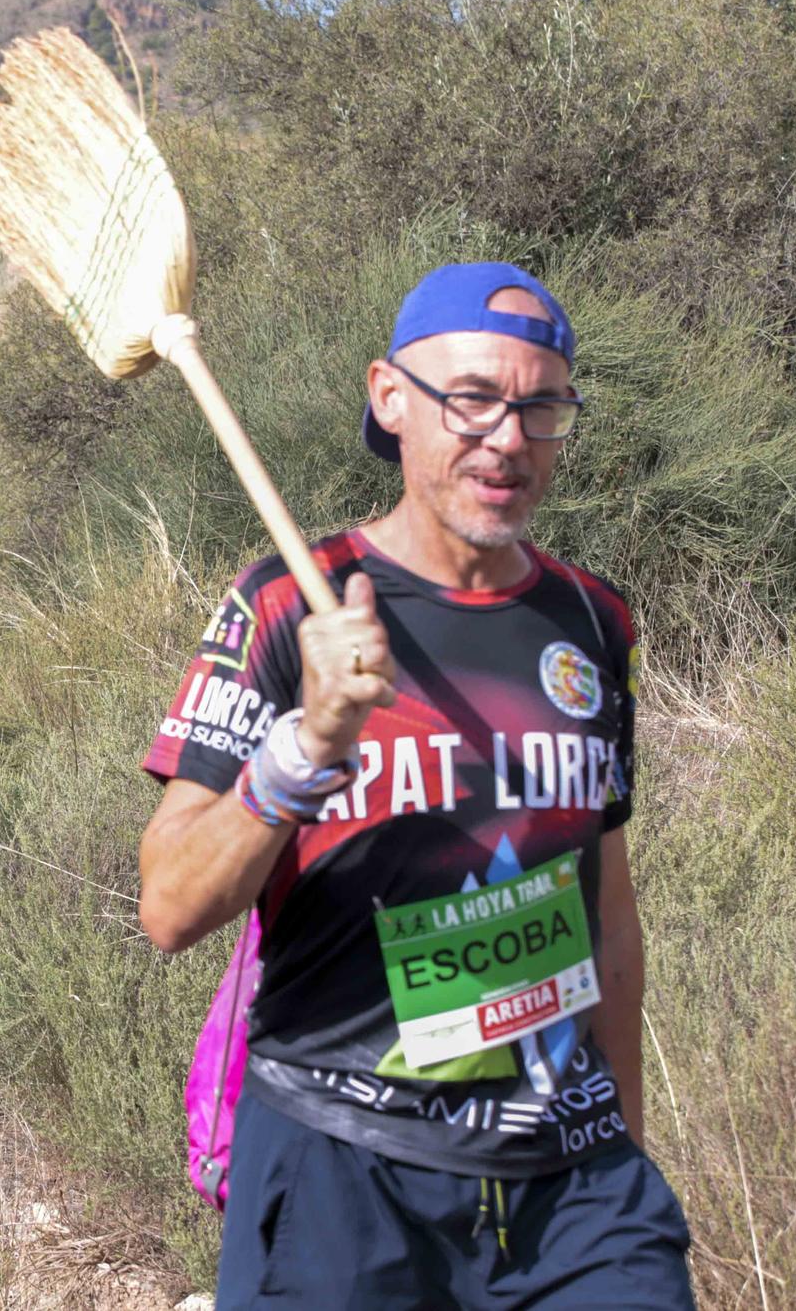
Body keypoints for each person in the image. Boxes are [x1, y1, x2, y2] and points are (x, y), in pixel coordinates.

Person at [138, 264, 695, 1308]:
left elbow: (605, 915)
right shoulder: (279, 607)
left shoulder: (591, 622)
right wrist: (304, 743)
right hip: (340, 1162)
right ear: (388, 399)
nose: (508, 437)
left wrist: (624, 1146)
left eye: (541, 405)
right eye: (473, 398)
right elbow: (167, 905)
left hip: (571, 1182)